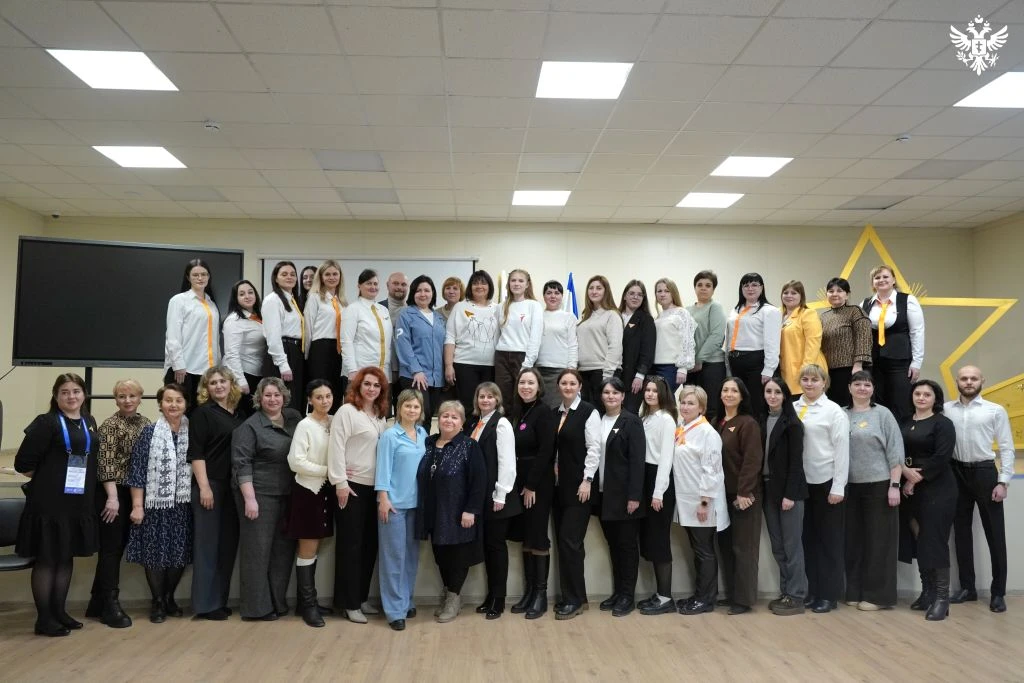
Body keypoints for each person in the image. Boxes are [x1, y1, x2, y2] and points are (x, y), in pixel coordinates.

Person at [15, 374, 100, 637]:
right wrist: (50, 477)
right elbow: (23, 464)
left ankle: (59, 612)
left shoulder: (88, 421)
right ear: (55, 396)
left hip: (78, 502)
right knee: (48, 558)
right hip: (49, 504)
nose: (71, 396)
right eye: (64, 392)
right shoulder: (46, 422)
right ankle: (44, 619)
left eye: (76, 391)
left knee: (65, 556)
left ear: (83, 394)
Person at [945, 365, 1015, 613]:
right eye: (964, 378)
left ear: (982, 381)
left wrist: (1003, 481)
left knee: (995, 535)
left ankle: (998, 593)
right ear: (957, 381)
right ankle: (968, 588)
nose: (969, 382)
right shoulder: (946, 410)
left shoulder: (995, 410)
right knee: (961, 533)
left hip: (985, 472)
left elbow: (1006, 447)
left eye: (973, 378)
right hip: (956, 473)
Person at [231, 377, 302, 621]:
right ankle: (255, 609)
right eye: (267, 395)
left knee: (283, 552)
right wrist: (250, 499)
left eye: (277, 395)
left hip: (288, 495)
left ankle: (277, 603)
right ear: (259, 398)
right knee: (257, 553)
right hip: (259, 496)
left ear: (284, 397)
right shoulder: (249, 427)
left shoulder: (294, 419)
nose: (273, 399)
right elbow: (241, 465)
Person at [125, 383, 193, 624]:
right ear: (160, 404)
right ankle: (157, 601)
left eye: (178, 400)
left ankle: (169, 597)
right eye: (168, 400)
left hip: (183, 505)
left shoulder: (193, 432)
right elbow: (137, 471)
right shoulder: (149, 433)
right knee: (155, 555)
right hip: (155, 506)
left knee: (179, 554)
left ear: (186, 404)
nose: (173, 405)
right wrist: (137, 506)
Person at [328, 366, 389, 623]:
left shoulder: (380, 416)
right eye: (367, 384)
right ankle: (349, 603)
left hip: (374, 488)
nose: (371, 389)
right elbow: (335, 447)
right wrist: (340, 483)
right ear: (358, 386)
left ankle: (362, 597)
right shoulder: (347, 411)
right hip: (351, 487)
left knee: (369, 545)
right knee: (350, 546)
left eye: (376, 385)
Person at [87, 379, 150, 629]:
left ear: (140, 398)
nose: (127, 400)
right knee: (111, 548)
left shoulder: (146, 424)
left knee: (118, 547)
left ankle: (96, 601)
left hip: (134, 492)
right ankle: (110, 605)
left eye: (132, 395)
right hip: (112, 493)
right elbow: (105, 464)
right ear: (116, 400)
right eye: (122, 396)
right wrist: (112, 499)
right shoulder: (110, 425)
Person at [416, 400, 487, 623]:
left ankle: (454, 598)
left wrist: (471, 510)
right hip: (434, 511)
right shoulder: (428, 443)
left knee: (457, 557)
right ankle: (449, 593)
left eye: (454, 417)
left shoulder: (469, 446)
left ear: (462, 422)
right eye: (445, 416)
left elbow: (479, 481)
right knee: (440, 556)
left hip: (458, 513)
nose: (449, 420)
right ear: (438, 420)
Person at [188, 367, 245, 621]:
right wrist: (204, 487)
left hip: (233, 487)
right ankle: (205, 605)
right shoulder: (202, 413)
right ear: (206, 388)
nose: (218, 386)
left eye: (222, 381)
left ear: (231, 384)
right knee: (207, 546)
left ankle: (219, 601)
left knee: (227, 546)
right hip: (210, 486)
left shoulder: (239, 414)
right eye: (212, 383)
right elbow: (196, 453)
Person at [844, 371, 903, 611]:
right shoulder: (841, 414)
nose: (862, 388)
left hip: (879, 485)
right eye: (857, 384)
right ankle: (854, 590)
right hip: (849, 487)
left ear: (873, 389)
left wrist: (894, 485)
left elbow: (895, 452)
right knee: (853, 541)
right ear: (849, 388)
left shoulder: (883, 414)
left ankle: (878, 596)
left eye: (867, 384)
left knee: (879, 542)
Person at [901, 379, 958, 621]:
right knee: (920, 540)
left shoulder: (943, 423)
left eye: (927, 394)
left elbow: (942, 456)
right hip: (910, 487)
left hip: (938, 488)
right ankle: (927, 592)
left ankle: (942, 599)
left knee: (935, 541)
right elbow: (896, 450)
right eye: (918, 393)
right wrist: (905, 472)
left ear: (936, 399)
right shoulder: (905, 421)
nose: (922, 398)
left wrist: (916, 478)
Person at [795, 364, 850, 614]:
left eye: (814, 380)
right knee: (808, 540)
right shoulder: (794, 407)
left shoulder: (834, 411)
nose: (809, 384)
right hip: (802, 484)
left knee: (829, 542)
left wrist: (838, 486)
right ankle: (813, 591)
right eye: (805, 379)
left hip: (827, 483)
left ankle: (829, 595)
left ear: (824, 383)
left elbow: (842, 450)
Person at [672, 385, 729, 615]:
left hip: (702, 502)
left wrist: (705, 502)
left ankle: (706, 599)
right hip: (686, 500)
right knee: (697, 550)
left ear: (702, 408)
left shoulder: (707, 433)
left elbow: (712, 470)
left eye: (691, 403)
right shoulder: (682, 428)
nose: (685, 407)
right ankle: (700, 594)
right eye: (683, 402)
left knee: (704, 551)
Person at [375, 389, 428, 631]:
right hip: (394, 505)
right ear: (399, 408)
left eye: (416, 406)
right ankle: (394, 611)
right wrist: (383, 497)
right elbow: (383, 468)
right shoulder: (390, 436)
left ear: (421, 410)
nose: (412, 410)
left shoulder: (423, 434)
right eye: (408, 406)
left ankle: (406, 601)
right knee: (393, 558)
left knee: (411, 557)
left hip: (416, 505)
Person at [285, 380, 336, 628]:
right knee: (307, 549)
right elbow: (296, 461)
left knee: (316, 548)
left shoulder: (335, 421)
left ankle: (307, 602)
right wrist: (328, 471)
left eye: (328, 396)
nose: (325, 401)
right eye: (319, 397)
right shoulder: (305, 425)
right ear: (309, 400)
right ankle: (307, 606)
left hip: (326, 491)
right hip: (308, 492)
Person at [593, 377, 646, 617]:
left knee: (627, 547)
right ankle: (618, 592)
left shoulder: (631, 421)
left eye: (615, 392)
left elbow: (637, 461)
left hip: (625, 497)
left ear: (623, 396)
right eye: (606, 392)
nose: (611, 396)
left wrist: (634, 496)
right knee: (613, 545)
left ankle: (627, 596)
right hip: (604, 496)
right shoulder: (597, 420)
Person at [507, 368, 557, 619]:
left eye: (531, 382)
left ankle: (540, 595)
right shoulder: (517, 412)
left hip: (537, 485)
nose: (526, 386)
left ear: (539, 387)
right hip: (519, 483)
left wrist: (531, 485)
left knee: (537, 536)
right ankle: (528, 592)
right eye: (522, 382)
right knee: (526, 535)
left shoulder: (544, 412)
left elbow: (546, 451)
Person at [552, 368, 601, 620]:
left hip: (579, 488)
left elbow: (594, 449)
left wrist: (587, 480)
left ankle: (574, 600)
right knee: (565, 544)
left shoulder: (589, 412)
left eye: (573, 383)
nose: (568, 387)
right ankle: (574, 596)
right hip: (558, 489)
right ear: (558, 386)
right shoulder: (556, 413)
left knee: (570, 542)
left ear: (580, 386)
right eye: (564, 383)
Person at [467, 382, 519, 619]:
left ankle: (499, 600)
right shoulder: (476, 424)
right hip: (482, 496)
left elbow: (507, 462)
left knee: (497, 549)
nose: (485, 400)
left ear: (497, 400)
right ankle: (490, 596)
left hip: (498, 498)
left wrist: (501, 493)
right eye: (482, 396)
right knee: (488, 548)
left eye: (490, 396)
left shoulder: (502, 423)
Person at [715, 377, 764, 615]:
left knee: (743, 548)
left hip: (744, 496)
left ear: (742, 396)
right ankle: (732, 594)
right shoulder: (717, 422)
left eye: (734, 390)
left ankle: (744, 600)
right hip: (722, 495)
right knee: (726, 547)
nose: (729, 394)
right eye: (725, 389)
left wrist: (745, 491)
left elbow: (752, 460)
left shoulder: (748, 423)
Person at [760, 377, 807, 617]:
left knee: (792, 547)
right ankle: (786, 592)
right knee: (778, 546)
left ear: (785, 396)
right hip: (768, 490)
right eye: (769, 391)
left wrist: (789, 495)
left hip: (789, 494)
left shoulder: (793, 424)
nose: (772, 396)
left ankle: (797, 595)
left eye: (777, 392)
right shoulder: (761, 420)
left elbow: (796, 464)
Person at [860, 264, 925, 422]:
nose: (881, 280)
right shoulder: (865, 303)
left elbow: (917, 332)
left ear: (894, 280)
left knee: (900, 404)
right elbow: (861, 334)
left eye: (885, 276)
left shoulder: (907, 300)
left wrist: (916, 362)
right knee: (877, 403)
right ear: (872, 282)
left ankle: (902, 437)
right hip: (873, 362)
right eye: (877, 277)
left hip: (899, 362)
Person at [636, 376, 677, 616]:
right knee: (650, 540)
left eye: (655, 390)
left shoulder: (666, 419)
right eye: (647, 390)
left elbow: (666, 458)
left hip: (658, 482)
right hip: (644, 478)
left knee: (660, 540)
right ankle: (659, 593)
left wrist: (658, 492)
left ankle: (666, 598)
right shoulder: (644, 417)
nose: (650, 394)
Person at [164, 258, 220, 410]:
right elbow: (172, 336)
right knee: (180, 414)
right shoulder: (179, 300)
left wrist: (217, 368)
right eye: (195, 275)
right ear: (188, 277)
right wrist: (178, 365)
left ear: (209, 276)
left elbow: (214, 339)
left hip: (207, 370)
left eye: (204, 274)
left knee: (202, 416)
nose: (200, 278)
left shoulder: (211, 303)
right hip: (184, 370)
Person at [724, 273, 781, 420]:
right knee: (739, 405)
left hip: (756, 362)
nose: (750, 288)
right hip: (736, 361)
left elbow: (772, 342)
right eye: (746, 285)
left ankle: (758, 434)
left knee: (756, 405)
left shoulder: (769, 311)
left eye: (754, 285)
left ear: (762, 288)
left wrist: (769, 369)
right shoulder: (736, 309)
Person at [443, 269, 499, 417]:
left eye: (483, 283)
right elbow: (450, 337)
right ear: (470, 287)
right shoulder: (460, 307)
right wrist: (448, 365)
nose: (479, 286)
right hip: (464, 364)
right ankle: (467, 433)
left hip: (491, 366)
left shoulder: (497, 308)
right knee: (467, 407)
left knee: (488, 407)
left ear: (489, 286)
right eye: (475, 283)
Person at [395, 275, 447, 427]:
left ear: (433, 293)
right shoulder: (406, 314)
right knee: (417, 418)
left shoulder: (438, 318)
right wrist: (416, 370)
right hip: (414, 375)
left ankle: (424, 443)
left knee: (429, 417)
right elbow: (403, 344)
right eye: (418, 291)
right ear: (413, 293)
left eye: (427, 290)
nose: (423, 294)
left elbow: (443, 346)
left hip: (436, 378)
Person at [494, 269, 544, 407]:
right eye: (513, 280)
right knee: (503, 397)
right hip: (502, 356)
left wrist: (528, 363)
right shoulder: (501, 307)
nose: (516, 284)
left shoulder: (534, 305)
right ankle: (505, 421)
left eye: (521, 281)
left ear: (527, 284)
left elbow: (535, 337)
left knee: (523, 397)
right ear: (508, 283)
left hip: (522, 356)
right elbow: (497, 335)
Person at [819, 277, 871, 407]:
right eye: (831, 291)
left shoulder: (855, 311)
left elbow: (864, 337)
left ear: (847, 295)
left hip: (850, 369)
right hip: (828, 371)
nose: (835, 294)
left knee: (847, 406)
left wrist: (858, 365)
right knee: (832, 407)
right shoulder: (823, 316)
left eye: (839, 291)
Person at [262, 261, 306, 412]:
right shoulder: (273, 300)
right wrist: (283, 364)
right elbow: (273, 335)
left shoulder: (293, 300)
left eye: (293, 274)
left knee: (295, 400)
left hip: (295, 351)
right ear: (276, 278)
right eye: (284, 274)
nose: (289, 277)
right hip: (282, 352)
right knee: (282, 400)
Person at [303, 260, 347, 413]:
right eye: (327, 274)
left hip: (339, 350)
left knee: (335, 391)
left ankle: (333, 424)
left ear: (340, 276)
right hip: (320, 349)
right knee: (320, 391)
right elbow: (308, 327)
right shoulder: (315, 297)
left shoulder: (342, 301)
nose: (332, 277)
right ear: (321, 277)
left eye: (335, 274)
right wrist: (307, 356)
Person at [222, 279, 267, 416]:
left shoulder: (259, 316)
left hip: (257, 373)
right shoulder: (234, 320)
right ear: (235, 298)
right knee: (243, 417)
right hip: (242, 375)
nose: (247, 296)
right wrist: (240, 381)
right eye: (242, 294)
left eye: (250, 292)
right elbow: (231, 354)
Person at [688, 270, 727, 422]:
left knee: (710, 409)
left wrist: (699, 359)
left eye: (708, 285)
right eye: (700, 285)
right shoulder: (687, 310)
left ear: (713, 289)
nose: (703, 288)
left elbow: (716, 336)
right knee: (691, 407)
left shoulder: (715, 307)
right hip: (691, 366)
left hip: (712, 364)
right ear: (694, 287)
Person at [577, 275, 622, 406]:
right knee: (588, 413)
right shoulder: (585, 316)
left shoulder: (612, 315)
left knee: (601, 411)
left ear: (606, 291)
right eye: (591, 288)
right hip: (583, 372)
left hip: (603, 371)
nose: (594, 291)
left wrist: (607, 375)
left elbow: (615, 346)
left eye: (598, 288)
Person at [341, 270, 393, 384]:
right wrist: (352, 370)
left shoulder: (383, 310)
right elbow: (346, 341)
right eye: (368, 283)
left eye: (375, 284)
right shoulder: (352, 309)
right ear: (359, 286)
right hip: (359, 372)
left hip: (383, 373)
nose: (373, 287)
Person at [779, 280, 827, 398]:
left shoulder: (808, 314)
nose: (789, 296)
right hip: (785, 371)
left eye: (794, 293)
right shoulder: (778, 315)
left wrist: (806, 370)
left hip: (807, 371)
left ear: (801, 296)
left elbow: (813, 343)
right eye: (786, 292)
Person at [536, 280, 578, 409]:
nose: (553, 296)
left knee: (556, 408)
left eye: (557, 293)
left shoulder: (569, 317)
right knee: (540, 408)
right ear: (544, 296)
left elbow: (573, 345)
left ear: (562, 296)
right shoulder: (537, 316)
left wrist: (571, 370)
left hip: (560, 370)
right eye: (549, 293)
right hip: (538, 369)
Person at [651, 278, 696, 395]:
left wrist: (683, 368)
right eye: (659, 291)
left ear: (673, 293)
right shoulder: (658, 316)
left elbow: (687, 340)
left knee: (664, 397)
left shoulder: (681, 313)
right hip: (654, 366)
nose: (662, 294)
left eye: (667, 291)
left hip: (672, 367)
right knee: (659, 400)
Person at [618, 280, 657, 415]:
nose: (635, 297)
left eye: (640, 295)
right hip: (615, 375)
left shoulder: (646, 319)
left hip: (633, 378)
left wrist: (640, 375)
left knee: (628, 414)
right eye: (632, 293)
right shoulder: (615, 316)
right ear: (625, 296)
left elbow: (648, 350)